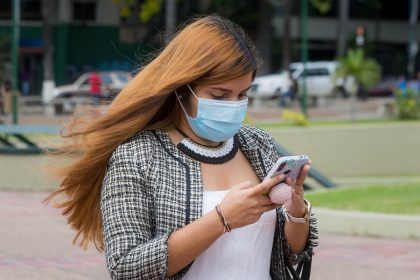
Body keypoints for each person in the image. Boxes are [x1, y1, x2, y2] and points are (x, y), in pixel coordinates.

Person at [44, 15, 317, 280]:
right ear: (183, 88)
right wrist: (221, 220)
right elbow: (125, 266)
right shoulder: (138, 156)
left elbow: (291, 255)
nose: (234, 105)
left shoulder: (257, 145)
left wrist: (296, 211)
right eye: (220, 95)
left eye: (242, 95)